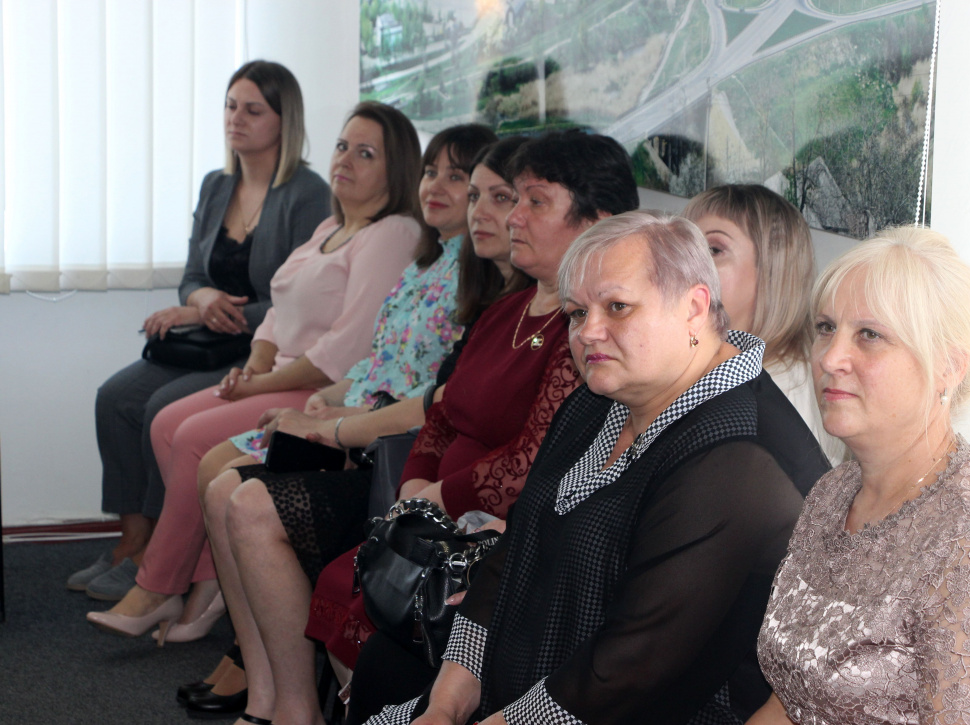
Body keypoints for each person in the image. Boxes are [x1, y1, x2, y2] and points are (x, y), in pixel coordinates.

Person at [201, 130, 639, 725]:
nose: (513, 217)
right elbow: (441, 414)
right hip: (428, 509)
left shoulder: (582, 333)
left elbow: (531, 463)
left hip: (487, 529)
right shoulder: (506, 311)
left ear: (598, 223)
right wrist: (413, 489)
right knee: (337, 563)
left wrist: (431, 499)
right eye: (513, 199)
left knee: (355, 581)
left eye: (533, 202)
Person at [363, 211, 830, 725]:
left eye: (617, 307)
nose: (588, 333)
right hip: (517, 693)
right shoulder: (599, 398)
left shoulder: (741, 459)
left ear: (694, 308)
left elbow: (634, 666)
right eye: (576, 312)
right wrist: (445, 706)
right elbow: (515, 551)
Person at [86, 100, 424, 643]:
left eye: (366, 154)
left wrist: (259, 383)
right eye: (343, 147)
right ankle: (208, 580)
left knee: (191, 438)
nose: (345, 160)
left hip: (321, 389)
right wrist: (255, 363)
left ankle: (159, 585)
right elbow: (278, 309)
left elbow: (350, 344)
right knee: (165, 424)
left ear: (397, 169)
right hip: (280, 373)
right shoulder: (331, 226)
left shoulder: (392, 233)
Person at [70, 60, 331, 600]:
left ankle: (159, 559)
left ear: (284, 120)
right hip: (204, 344)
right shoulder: (217, 185)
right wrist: (201, 300)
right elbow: (192, 276)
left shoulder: (307, 194)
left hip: (261, 351)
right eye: (230, 107)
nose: (236, 119)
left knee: (157, 409)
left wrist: (203, 312)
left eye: (253, 110)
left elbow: (298, 299)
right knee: (113, 398)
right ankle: (131, 540)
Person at [752, 227, 970, 724]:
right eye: (826, 327)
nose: (830, 358)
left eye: (869, 335)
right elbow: (787, 700)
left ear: (948, 366)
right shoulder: (834, 491)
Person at [684, 184, 844, 464]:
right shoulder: (720, 372)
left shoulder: (781, 400)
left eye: (713, 249)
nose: (685, 266)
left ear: (773, 270)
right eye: (683, 249)